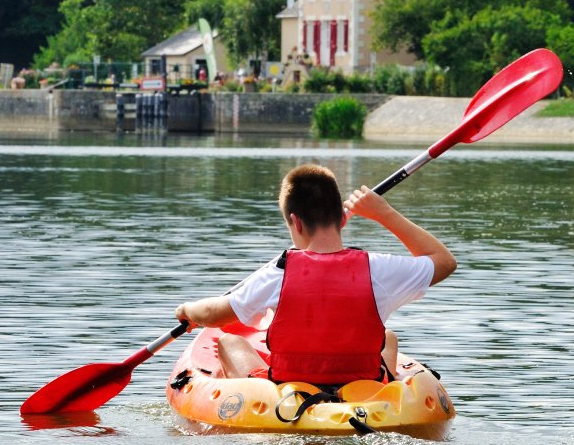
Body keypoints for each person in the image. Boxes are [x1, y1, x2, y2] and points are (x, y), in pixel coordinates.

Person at [174, 164, 456, 384]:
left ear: (295, 222)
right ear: (338, 217)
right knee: (388, 337)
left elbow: (214, 315)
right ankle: (387, 384)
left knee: (229, 341)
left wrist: (186, 309)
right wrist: (384, 213)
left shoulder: (279, 272)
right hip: (363, 386)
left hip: (287, 391)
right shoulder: (378, 268)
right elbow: (444, 261)